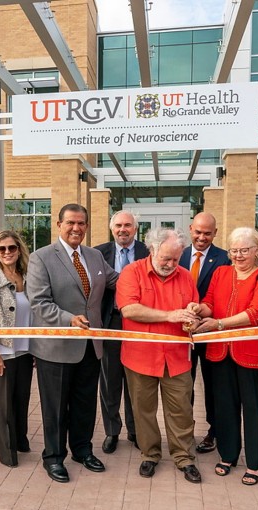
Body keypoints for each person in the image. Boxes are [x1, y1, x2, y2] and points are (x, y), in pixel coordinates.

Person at [27, 203, 117, 483]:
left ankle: (82, 449)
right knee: (55, 407)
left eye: (81, 223)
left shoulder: (94, 256)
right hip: (56, 348)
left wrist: (153, 270)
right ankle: (53, 457)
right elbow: (39, 302)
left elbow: (119, 281)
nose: (76, 228)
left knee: (84, 403)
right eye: (70, 223)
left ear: (87, 226)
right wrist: (68, 319)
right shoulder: (40, 258)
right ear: (59, 225)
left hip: (90, 346)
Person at [193, 227, 258, 486]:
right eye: (233, 250)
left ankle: (254, 464)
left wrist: (218, 324)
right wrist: (198, 309)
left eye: (244, 250)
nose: (238, 255)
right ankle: (227, 455)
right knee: (225, 408)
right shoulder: (221, 272)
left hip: (252, 355)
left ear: (257, 251)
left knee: (254, 410)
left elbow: (256, 313)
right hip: (220, 353)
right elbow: (209, 302)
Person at [118, 228, 202, 483]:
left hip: (177, 357)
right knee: (143, 410)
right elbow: (129, 309)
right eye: (166, 258)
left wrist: (192, 315)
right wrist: (170, 315)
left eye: (176, 259)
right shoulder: (131, 273)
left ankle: (184, 457)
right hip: (140, 357)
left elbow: (193, 312)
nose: (171, 264)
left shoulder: (186, 277)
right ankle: (150, 454)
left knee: (181, 410)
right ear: (152, 250)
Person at [0, 230, 34, 467]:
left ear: (19, 250)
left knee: (22, 400)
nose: (7, 252)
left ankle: (21, 441)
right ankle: (8, 454)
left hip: (25, 350)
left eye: (11, 248)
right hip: (2, 352)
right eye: (2, 249)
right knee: (4, 405)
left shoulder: (28, 276)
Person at [95, 210, 149, 453]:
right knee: (110, 380)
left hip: (139, 324)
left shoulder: (148, 253)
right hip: (111, 322)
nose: (122, 229)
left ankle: (135, 430)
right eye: (118, 225)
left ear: (135, 229)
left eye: (127, 225)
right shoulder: (98, 253)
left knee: (136, 380)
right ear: (111, 227)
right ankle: (112, 431)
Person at [179, 212, 230, 453]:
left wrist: (210, 319)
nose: (202, 237)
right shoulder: (177, 254)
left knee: (213, 385)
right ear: (190, 229)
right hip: (181, 333)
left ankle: (214, 431)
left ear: (215, 233)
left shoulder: (226, 259)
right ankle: (184, 430)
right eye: (198, 232)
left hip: (211, 332)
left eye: (207, 233)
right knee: (182, 385)